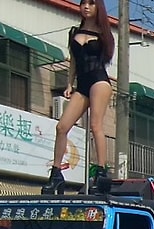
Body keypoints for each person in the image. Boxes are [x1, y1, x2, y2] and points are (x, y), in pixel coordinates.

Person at [41, 0, 115, 195]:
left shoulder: (103, 32)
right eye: (83, 3)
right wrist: (69, 84)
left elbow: (105, 58)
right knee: (62, 126)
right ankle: (56, 174)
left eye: (91, 3)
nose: (86, 6)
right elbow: (73, 60)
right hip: (81, 85)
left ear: (98, 7)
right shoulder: (74, 32)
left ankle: (101, 172)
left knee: (95, 126)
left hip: (99, 81)